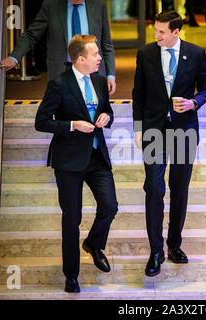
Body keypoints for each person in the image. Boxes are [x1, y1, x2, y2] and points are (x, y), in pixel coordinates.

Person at [35, 35, 118, 293]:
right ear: (80, 59)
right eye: (95, 55)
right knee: (72, 218)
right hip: (69, 161)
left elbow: (107, 111)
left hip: (96, 157)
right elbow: (41, 122)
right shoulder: (59, 84)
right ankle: (71, 274)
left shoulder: (101, 82)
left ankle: (93, 243)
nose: (100, 59)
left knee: (110, 205)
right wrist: (71, 125)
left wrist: (107, 117)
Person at [132, 10, 206, 277]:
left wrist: (193, 103)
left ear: (176, 32)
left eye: (162, 32)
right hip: (153, 130)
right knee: (154, 190)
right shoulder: (145, 54)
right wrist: (137, 128)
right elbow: (138, 93)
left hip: (184, 130)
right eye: (155, 30)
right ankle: (155, 251)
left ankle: (174, 245)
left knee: (179, 190)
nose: (156, 36)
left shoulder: (196, 53)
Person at [0, 0, 116, 95]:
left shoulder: (98, 6)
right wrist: (14, 57)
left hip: (93, 72)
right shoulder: (51, 5)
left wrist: (110, 75)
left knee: (93, 116)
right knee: (63, 116)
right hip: (62, 71)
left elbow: (106, 44)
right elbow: (31, 35)